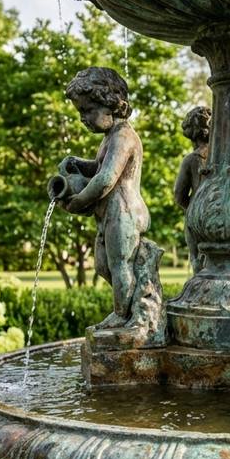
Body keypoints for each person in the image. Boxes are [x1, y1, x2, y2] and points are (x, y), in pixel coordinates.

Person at [60, 67, 150, 330]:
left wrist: (78, 202)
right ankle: (133, 305)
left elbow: (105, 179)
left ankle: (123, 317)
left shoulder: (123, 136)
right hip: (110, 212)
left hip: (124, 211)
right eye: (80, 112)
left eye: (87, 111)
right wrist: (79, 164)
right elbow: (99, 168)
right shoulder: (110, 136)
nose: (83, 119)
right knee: (103, 266)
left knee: (120, 264)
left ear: (111, 105)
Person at [173, 106, 212, 272]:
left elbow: (179, 195)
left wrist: (193, 207)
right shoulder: (221, 155)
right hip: (220, 215)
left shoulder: (191, 159)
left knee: (198, 264)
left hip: (197, 219)